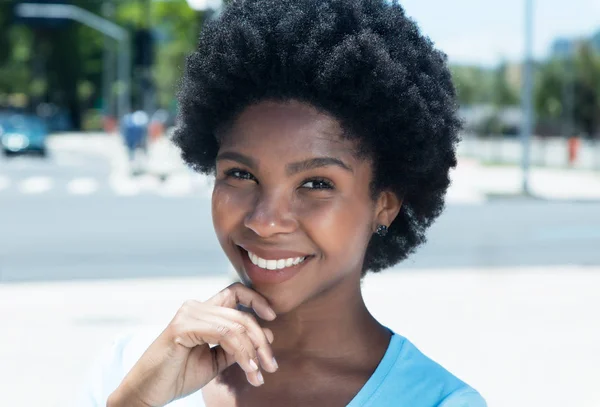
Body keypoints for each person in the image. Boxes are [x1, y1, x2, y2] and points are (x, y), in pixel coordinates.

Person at [78, 0, 487, 405]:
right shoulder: (134, 369)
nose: (265, 221)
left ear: (385, 204)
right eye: (240, 174)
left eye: (315, 183)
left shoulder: (437, 402)